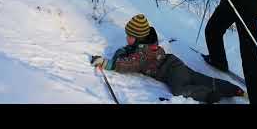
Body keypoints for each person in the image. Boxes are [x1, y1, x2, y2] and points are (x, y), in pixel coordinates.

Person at [90, 14, 246, 104]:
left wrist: (106, 63)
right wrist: (124, 50)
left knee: (180, 90)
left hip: (170, 72)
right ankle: (234, 90)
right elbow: (128, 51)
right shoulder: (145, 45)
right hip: (174, 64)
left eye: (129, 36)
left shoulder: (144, 53)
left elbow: (128, 64)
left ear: (138, 38)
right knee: (199, 78)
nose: (127, 39)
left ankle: (210, 95)